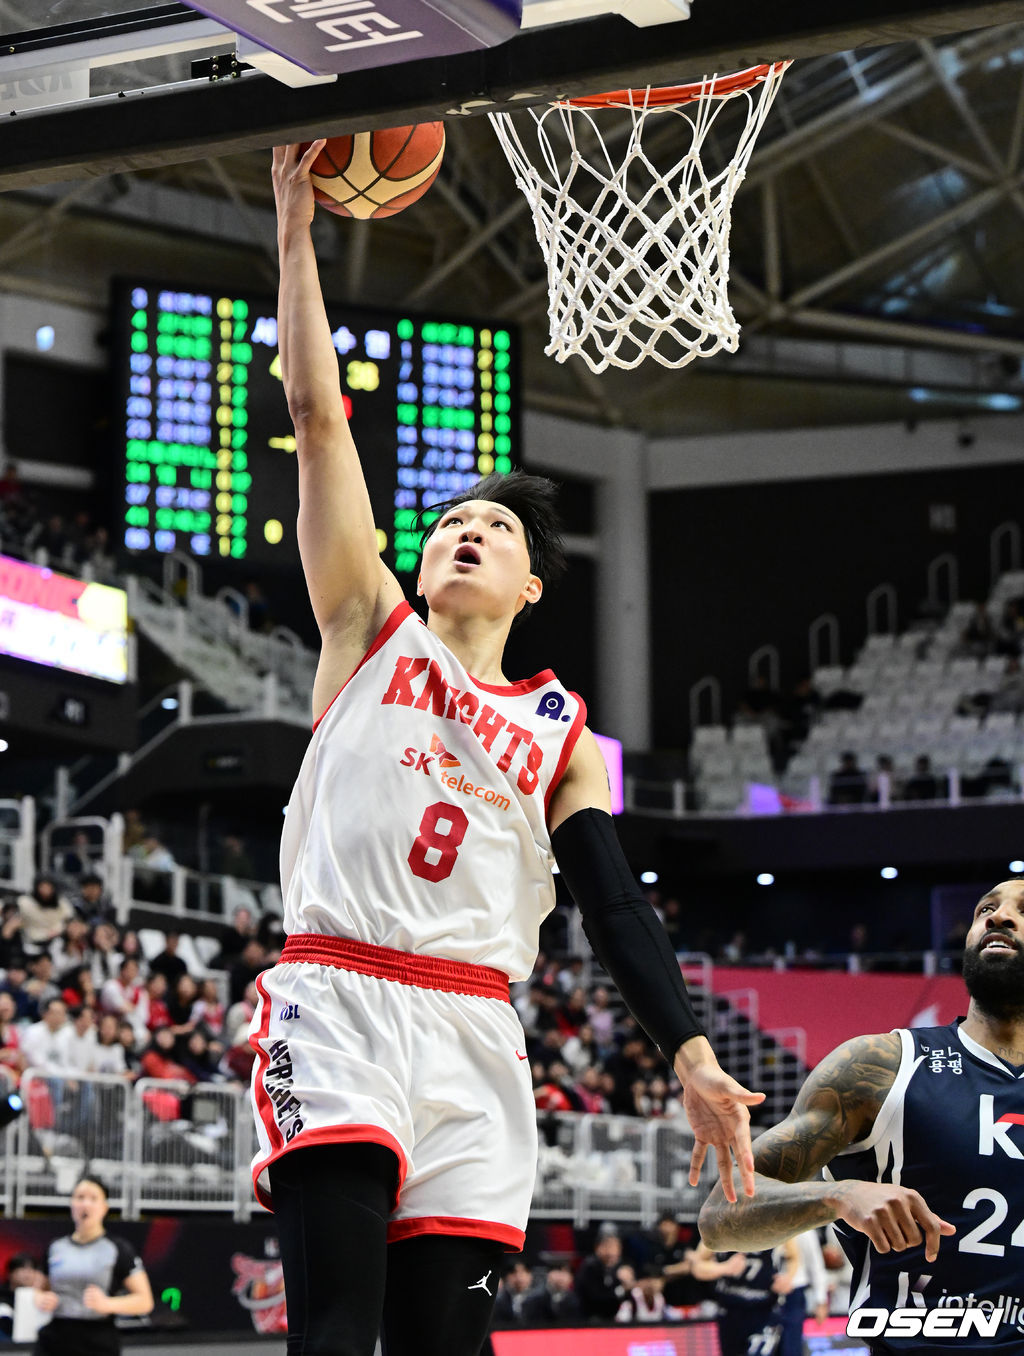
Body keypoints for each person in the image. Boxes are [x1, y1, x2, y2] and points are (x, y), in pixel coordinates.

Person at [250, 142, 764, 1356]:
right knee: (336, 1333)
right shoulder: (367, 629)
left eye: (494, 528)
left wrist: (691, 1054)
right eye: (449, 523)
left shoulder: (561, 732)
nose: (466, 533)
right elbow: (318, 420)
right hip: (339, 997)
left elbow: (613, 902)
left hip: (477, 1030)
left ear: (532, 585)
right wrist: (294, 232)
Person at [699, 877, 1024, 1353]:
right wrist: (837, 1195)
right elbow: (720, 1215)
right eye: (985, 909)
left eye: (1022, 909)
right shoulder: (881, 1066)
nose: (999, 916)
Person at [32, 1176, 153, 1354]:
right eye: (80, 1197)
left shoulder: (118, 1249)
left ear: (104, 1207)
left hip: (97, 1338)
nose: (85, 1204)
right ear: (71, 1203)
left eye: (93, 1198)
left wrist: (108, 1304)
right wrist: (41, 1299)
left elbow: (145, 1301)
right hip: (56, 1336)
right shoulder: (56, 1247)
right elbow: (38, 1290)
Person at [691, 1241, 798, 1356]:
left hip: (765, 1310)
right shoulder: (719, 1230)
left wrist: (788, 1277)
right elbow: (697, 1267)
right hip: (730, 1312)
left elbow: (794, 1257)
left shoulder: (775, 1229)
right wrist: (724, 1268)